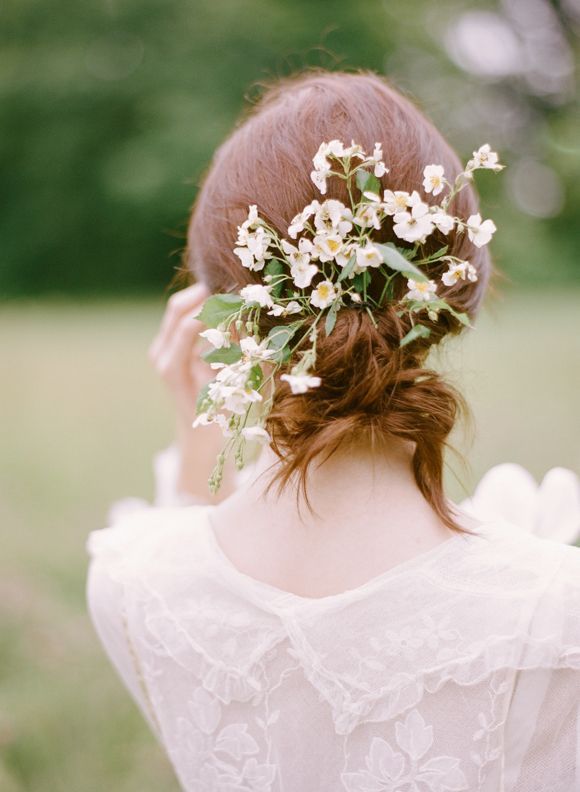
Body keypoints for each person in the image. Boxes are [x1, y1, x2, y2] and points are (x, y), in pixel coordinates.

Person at [86, 71, 580, 791]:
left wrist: (199, 437)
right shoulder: (553, 617)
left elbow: (193, 561)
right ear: (454, 290)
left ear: (223, 312)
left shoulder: (133, 586)